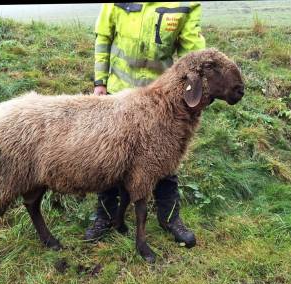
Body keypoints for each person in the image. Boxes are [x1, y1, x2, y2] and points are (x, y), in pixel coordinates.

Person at [85, 2, 206, 248]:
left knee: (165, 161)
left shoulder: (184, 5)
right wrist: (100, 82)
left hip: (161, 102)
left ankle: (170, 218)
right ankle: (105, 216)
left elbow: (194, 55)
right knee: (110, 159)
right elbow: (103, 38)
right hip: (118, 99)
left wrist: (201, 89)